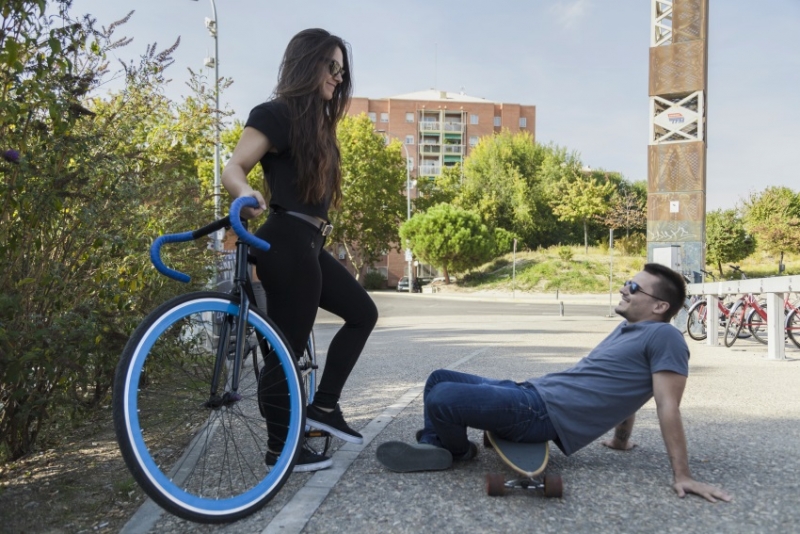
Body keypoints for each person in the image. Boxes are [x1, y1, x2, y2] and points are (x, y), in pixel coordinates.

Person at [376, 263, 732, 502]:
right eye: (628, 281)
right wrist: (621, 441)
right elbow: (627, 392)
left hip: (539, 415)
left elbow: (667, 403)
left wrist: (682, 474)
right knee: (439, 378)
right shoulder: (628, 329)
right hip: (530, 393)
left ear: (659, 306)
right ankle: (439, 445)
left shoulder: (665, 339)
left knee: (443, 398)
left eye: (635, 287)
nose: (625, 288)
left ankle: (453, 451)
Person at [222, 28, 377, 472]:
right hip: (285, 240)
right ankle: (280, 450)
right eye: (331, 66)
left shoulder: (319, 128)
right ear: (307, 63)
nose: (337, 77)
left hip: (309, 242)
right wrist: (245, 194)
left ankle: (324, 408)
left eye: (341, 71)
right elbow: (234, 166)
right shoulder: (275, 114)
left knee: (362, 313)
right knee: (284, 350)